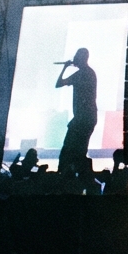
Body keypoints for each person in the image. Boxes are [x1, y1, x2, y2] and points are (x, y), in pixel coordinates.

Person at [55, 48, 97, 181]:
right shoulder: (87, 73)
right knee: (78, 149)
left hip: (83, 118)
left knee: (70, 148)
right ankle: (75, 176)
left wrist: (65, 68)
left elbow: (58, 83)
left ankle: (67, 176)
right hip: (86, 117)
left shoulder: (82, 74)